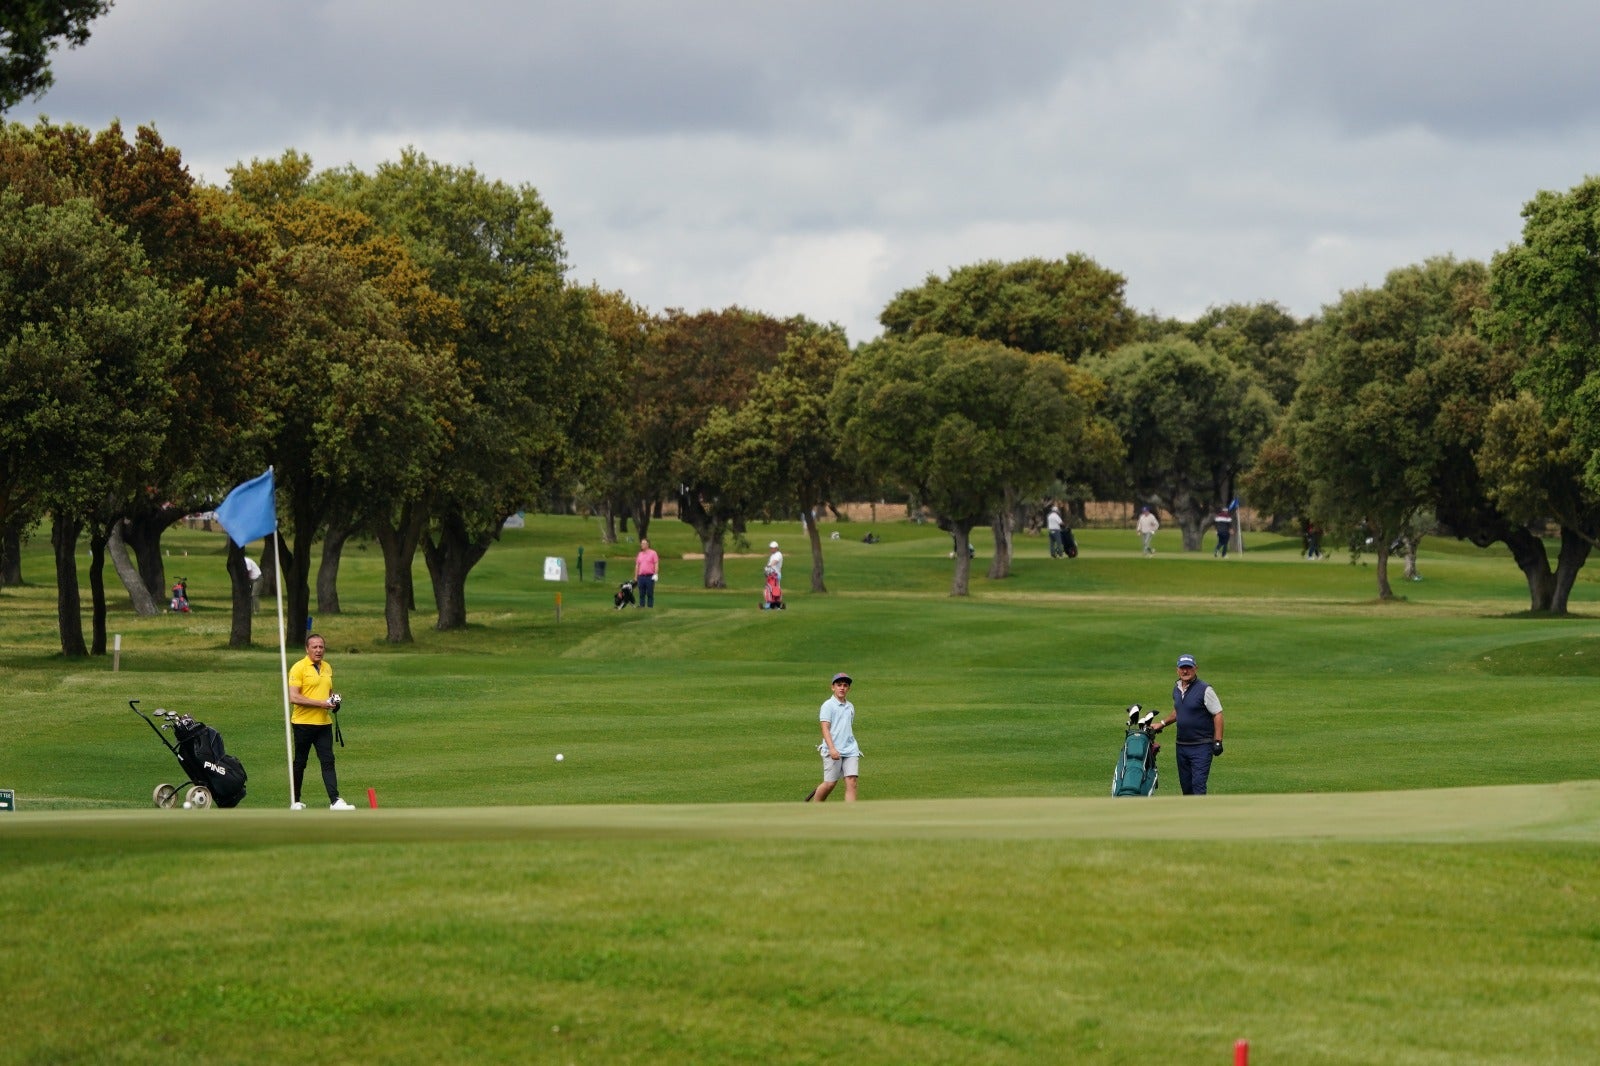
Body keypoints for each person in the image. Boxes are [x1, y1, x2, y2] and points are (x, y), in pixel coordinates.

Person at [288, 633, 354, 810]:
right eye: (314, 647)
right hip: (303, 723)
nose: (318, 650)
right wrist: (321, 704)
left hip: (324, 724)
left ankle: (335, 800)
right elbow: (293, 697)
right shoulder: (298, 668)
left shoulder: (327, 667)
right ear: (307, 649)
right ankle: (295, 801)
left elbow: (328, 692)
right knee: (300, 762)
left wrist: (334, 702)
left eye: (321, 647)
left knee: (328, 760)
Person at [1151, 653, 1224, 795]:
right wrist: (1162, 723)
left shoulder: (1205, 690)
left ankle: (1200, 816)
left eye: (1189, 668)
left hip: (1201, 746)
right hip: (1182, 746)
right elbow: (1179, 711)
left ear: (1195, 668)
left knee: (1198, 786)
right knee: (1186, 788)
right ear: (1177, 670)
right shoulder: (1177, 688)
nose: (1185, 671)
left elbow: (1218, 714)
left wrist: (1218, 741)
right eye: (1182, 668)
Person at [805, 672, 862, 802]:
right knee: (830, 784)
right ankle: (816, 809)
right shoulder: (827, 706)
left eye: (845, 685)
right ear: (833, 687)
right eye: (839, 685)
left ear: (848, 688)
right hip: (832, 750)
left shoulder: (850, 706)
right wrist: (832, 748)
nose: (842, 688)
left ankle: (851, 814)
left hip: (850, 749)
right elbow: (825, 728)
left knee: (852, 782)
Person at [634, 537, 660, 608]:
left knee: (649, 593)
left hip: (649, 576)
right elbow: (637, 566)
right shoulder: (640, 554)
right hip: (641, 577)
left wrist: (656, 574)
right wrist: (636, 577)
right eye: (641, 543)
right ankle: (642, 607)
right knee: (641, 594)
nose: (642, 545)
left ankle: (650, 607)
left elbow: (656, 564)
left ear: (647, 544)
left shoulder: (653, 553)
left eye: (643, 543)